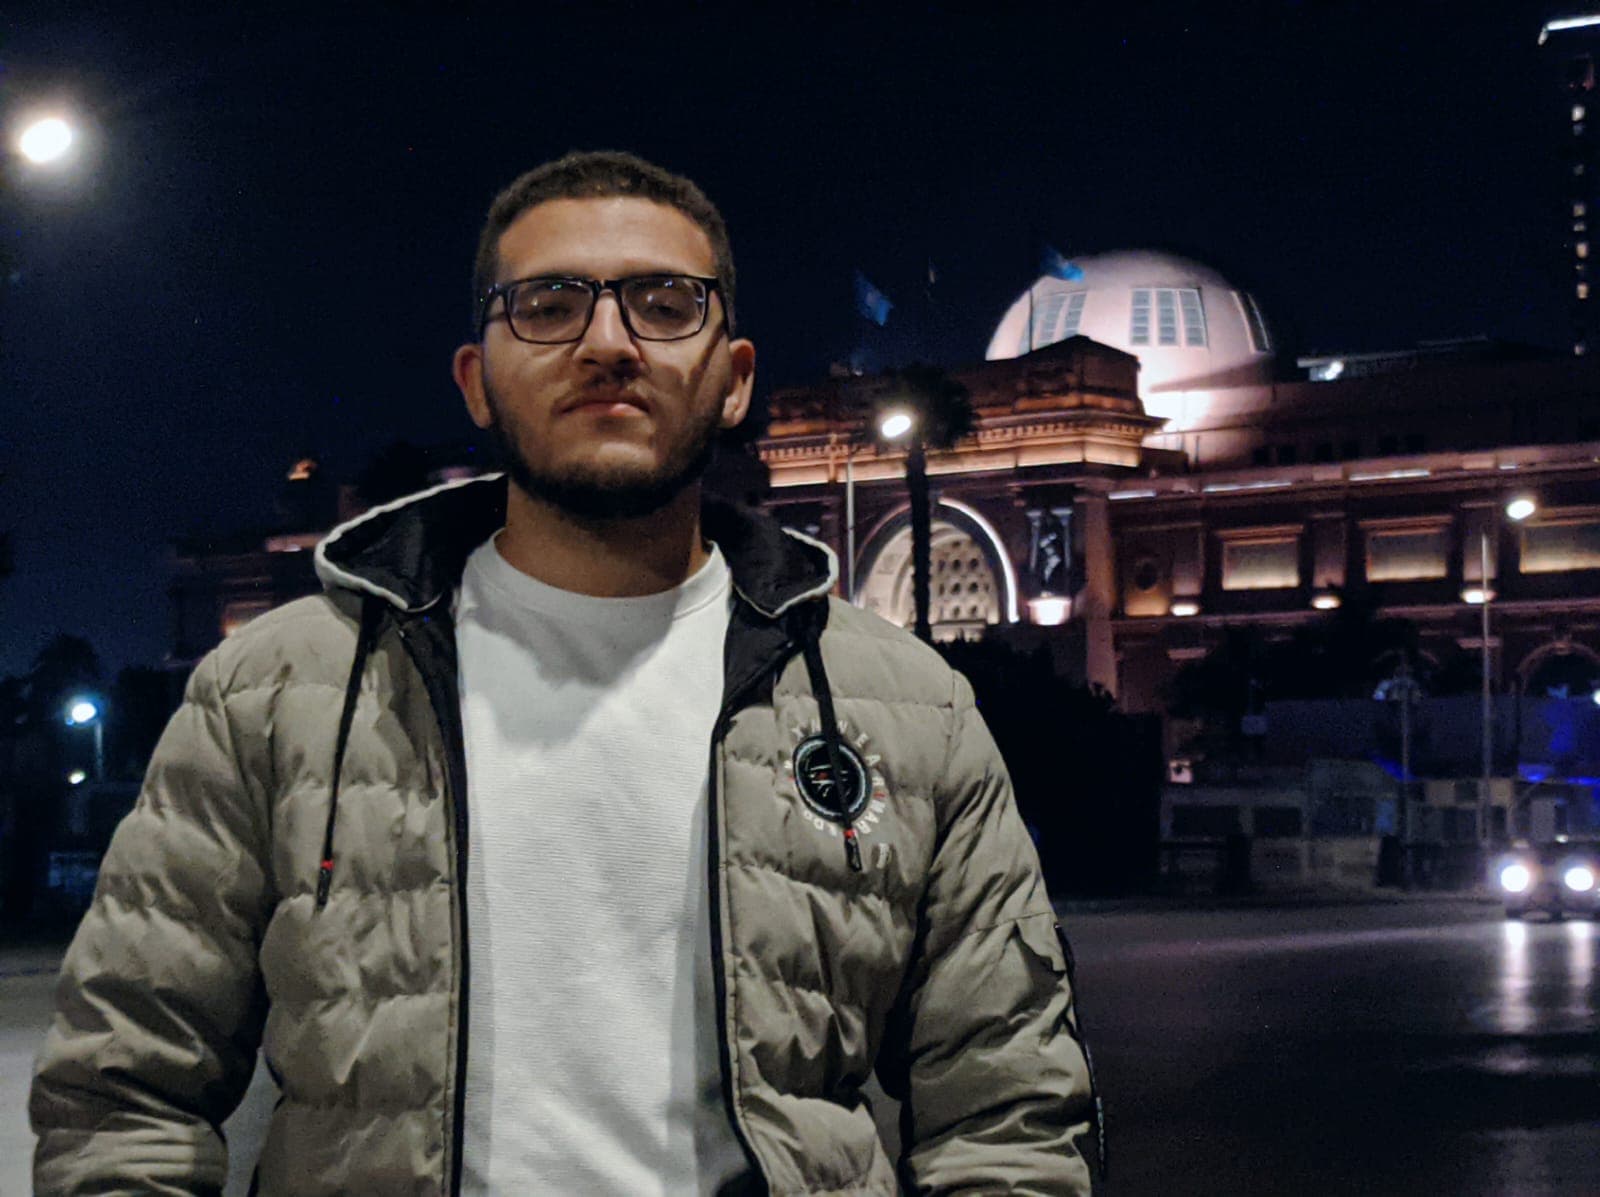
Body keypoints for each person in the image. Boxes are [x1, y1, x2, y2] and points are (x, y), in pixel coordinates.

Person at [32, 150, 1103, 1195]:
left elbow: (1007, 1109)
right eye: (548, 305)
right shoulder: (275, 692)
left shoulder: (907, 709)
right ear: (476, 380)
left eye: (666, 305)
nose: (607, 343)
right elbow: (123, 1092)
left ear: (735, 380)